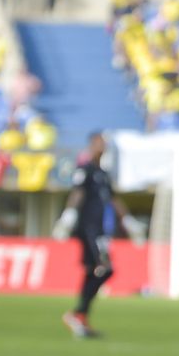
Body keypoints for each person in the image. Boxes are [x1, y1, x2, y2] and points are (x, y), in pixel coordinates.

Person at [53, 132, 146, 338]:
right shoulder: (84, 169)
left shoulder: (103, 174)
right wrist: (68, 216)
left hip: (100, 230)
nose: (101, 147)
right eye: (98, 143)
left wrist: (129, 221)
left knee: (93, 270)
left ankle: (80, 315)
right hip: (88, 229)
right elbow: (77, 193)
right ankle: (78, 313)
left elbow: (113, 199)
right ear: (91, 145)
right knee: (105, 268)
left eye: (103, 144)